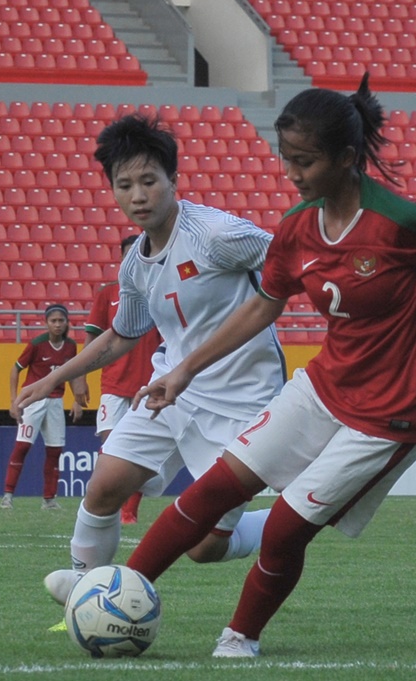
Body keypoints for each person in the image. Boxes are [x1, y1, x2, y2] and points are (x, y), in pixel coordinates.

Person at [124, 75, 416, 658]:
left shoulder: (401, 220)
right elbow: (264, 304)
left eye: (305, 161)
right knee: (214, 488)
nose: (292, 173)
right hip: (327, 385)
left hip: (395, 409)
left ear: (346, 159)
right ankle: (112, 596)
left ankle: (239, 636)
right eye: (286, 159)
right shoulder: (298, 228)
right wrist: (184, 370)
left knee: (283, 530)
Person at [15, 113, 284, 614]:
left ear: (173, 181)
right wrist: (51, 378)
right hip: (170, 391)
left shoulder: (216, 234)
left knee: (205, 548)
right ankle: (85, 592)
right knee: (103, 486)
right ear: (112, 191)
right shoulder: (134, 264)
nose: (138, 195)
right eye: (125, 185)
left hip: (241, 400)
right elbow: (122, 336)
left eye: (149, 181)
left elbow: (286, 262)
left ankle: (291, 517)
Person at [84, 235, 163, 524]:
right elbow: (94, 336)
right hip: (114, 385)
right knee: (110, 449)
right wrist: (80, 377)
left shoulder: (162, 289)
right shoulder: (108, 294)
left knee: (137, 453)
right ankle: (108, 506)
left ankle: (129, 511)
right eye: (128, 254)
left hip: (149, 384)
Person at [1, 304, 85, 510]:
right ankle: (8, 495)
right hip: (33, 401)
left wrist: (76, 400)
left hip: (56, 402)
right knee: (22, 446)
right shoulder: (37, 344)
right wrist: (14, 400)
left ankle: (48, 499)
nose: (57, 324)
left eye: (61, 320)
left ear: (67, 322)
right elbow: (15, 369)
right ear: (46, 323)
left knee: (55, 451)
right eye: (53, 321)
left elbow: (72, 374)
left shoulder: (71, 346)